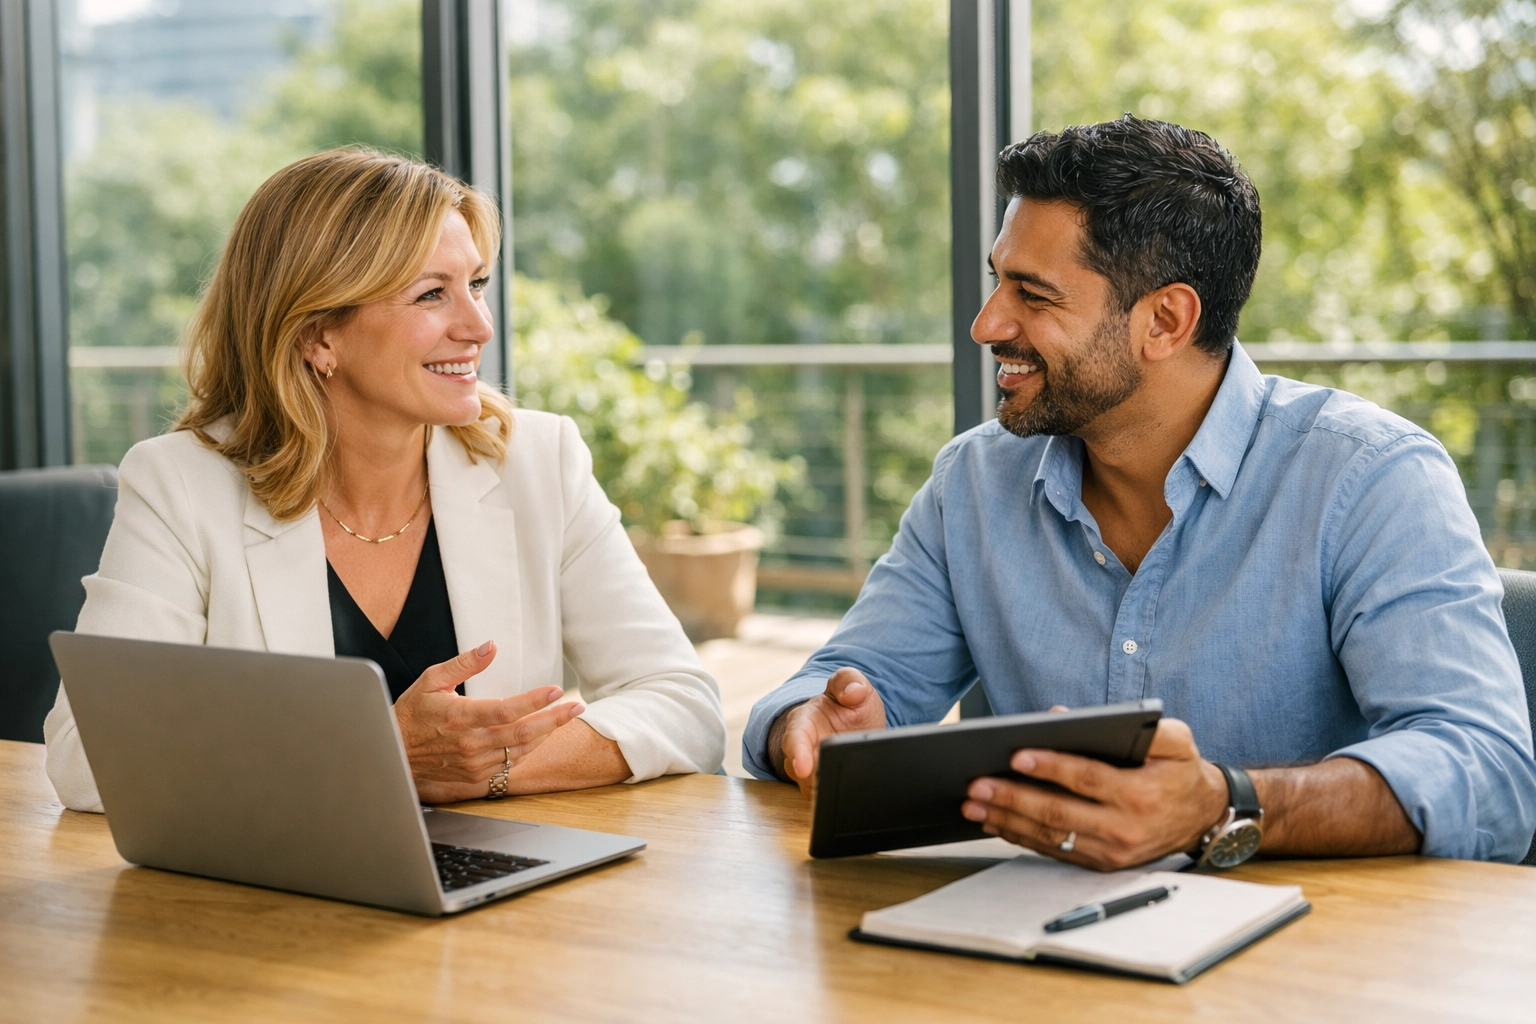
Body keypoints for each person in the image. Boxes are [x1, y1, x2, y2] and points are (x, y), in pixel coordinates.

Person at [743, 116, 1536, 867]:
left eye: (1034, 294)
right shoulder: (974, 483)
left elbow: (1488, 771)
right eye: (997, 283)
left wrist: (1225, 806)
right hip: (1031, 950)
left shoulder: (1369, 477)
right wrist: (805, 723)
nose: (987, 325)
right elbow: (844, 681)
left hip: (1313, 959)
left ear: (1166, 320)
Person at [45, 148, 725, 813]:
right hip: (285, 896)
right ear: (319, 337)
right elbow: (86, 756)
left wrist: (479, 771)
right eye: (432, 294)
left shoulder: (540, 460)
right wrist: (379, 754)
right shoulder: (180, 485)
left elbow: (684, 705)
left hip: (502, 893)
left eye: (477, 284)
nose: (479, 326)